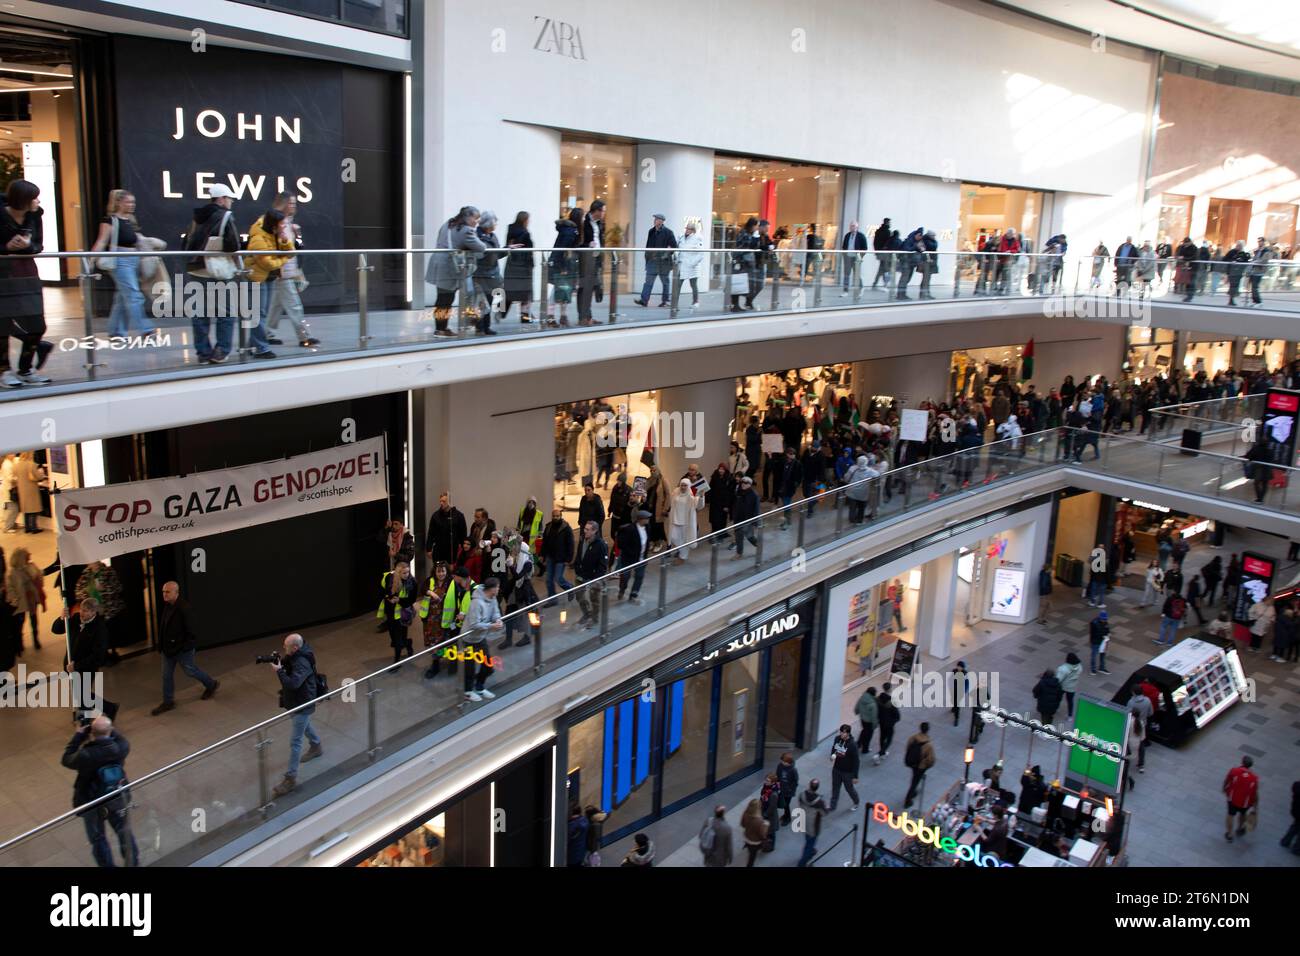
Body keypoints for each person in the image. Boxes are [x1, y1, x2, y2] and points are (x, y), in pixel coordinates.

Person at [62, 715, 138, 867]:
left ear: (92, 732)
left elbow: (66, 759)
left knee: (98, 838)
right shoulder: (121, 747)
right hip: (116, 796)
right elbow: (116, 736)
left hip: (92, 801)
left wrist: (78, 735)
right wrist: (107, 728)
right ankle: (132, 863)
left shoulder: (85, 754)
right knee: (123, 831)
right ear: (111, 730)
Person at [182, 183, 242, 364]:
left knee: (200, 313)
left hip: (196, 270)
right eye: (229, 198)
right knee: (226, 313)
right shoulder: (225, 216)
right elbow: (233, 245)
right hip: (217, 271)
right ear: (222, 199)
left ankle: (203, 352)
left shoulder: (197, 217)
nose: (231, 202)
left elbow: (186, 244)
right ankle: (221, 351)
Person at [0, 179, 53, 386]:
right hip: (3, 273)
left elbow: (39, 245)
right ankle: (4, 371)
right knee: (2, 325)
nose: (37, 201)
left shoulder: (35, 215)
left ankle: (25, 369)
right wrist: (6, 247)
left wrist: (28, 246)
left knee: (37, 325)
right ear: (22, 199)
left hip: (27, 273)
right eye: (34, 198)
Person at [88, 189, 157, 340]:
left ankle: (116, 332)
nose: (132, 205)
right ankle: (147, 330)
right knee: (134, 295)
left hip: (133, 259)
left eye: (133, 202)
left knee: (122, 297)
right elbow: (102, 241)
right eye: (128, 202)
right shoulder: (110, 221)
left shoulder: (130, 220)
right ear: (119, 202)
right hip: (120, 261)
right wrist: (91, 260)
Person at [258, 192, 318, 347]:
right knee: (294, 305)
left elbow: (296, 248)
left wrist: (297, 236)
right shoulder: (275, 223)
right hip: (282, 270)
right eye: (291, 203)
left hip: (286, 270)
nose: (294, 206)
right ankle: (305, 336)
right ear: (283, 203)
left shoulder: (288, 223)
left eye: (294, 203)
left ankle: (267, 333)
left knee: (276, 305)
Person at [150, 580, 219, 714]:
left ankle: (211, 684)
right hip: (168, 650)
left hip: (181, 650)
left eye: (167, 592)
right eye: (163, 591)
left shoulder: (184, 608)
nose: (164, 594)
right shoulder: (167, 605)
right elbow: (164, 627)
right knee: (166, 676)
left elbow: (192, 631)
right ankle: (168, 702)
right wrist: (161, 645)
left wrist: (185, 648)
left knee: (191, 671)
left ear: (176, 592)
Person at [270, 633, 323, 797]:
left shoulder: (301, 661)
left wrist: (279, 671)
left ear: (295, 647)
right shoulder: (296, 655)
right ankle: (316, 745)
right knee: (304, 725)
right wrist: (280, 663)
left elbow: (293, 683)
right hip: (295, 702)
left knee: (295, 742)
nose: (284, 648)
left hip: (302, 704)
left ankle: (290, 779)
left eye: (286, 646)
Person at [427, 205, 486, 336]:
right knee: (447, 299)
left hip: (438, 262)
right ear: (468, 217)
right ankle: (441, 329)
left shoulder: (448, 224)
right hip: (449, 266)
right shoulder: (466, 231)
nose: (477, 222)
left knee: (442, 298)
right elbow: (481, 247)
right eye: (476, 218)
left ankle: (441, 328)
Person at [68, 598, 118, 720]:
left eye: (85, 611)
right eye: (81, 609)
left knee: (83, 695)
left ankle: (89, 718)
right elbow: (56, 629)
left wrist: (77, 665)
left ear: (93, 612)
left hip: (87, 667)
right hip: (73, 665)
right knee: (79, 693)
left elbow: (98, 655)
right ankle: (107, 709)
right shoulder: (76, 618)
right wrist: (61, 618)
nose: (81, 613)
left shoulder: (100, 628)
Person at [461, 577, 503, 701]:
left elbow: (496, 612)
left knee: (487, 665)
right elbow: (474, 624)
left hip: (480, 638)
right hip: (468, 639)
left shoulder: (493, 598)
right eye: (497, 587)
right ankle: (468, 692)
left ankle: (479, 687)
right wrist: (491, 626)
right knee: (470, 668)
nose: (499, 589)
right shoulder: (476, 603)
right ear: (492, 589)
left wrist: (498, 620)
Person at [378, 560, 417, 665]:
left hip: (403, 614)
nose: (407, 575)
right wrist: (388, 598)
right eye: (404, 573)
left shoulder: (412, 582)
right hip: (391, 613)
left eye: (408, 572)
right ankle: (408, 643)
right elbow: (382, 592)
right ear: (397, 573)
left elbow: (412, 599)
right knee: (395, 638)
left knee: (399, 638)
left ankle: (396, 661)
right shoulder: (389, 578)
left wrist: (399, 600)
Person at [572, 520, 608, 630]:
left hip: (594, 578)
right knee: (579, 596)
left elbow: (603, 565)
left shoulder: (601, 545)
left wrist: (597, 579)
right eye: (585, 529)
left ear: (595, 531)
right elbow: (579, 555)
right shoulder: (582, 539)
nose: (584, 531)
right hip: (581, 575)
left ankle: (595, 619)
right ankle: (586, 613)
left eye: (587, 529)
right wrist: (577, 567)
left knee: (594, 600)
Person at [417, 562, 451, 676]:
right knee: (433, 643)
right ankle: (435, 664)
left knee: (444, 641)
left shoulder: (451, 582)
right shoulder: (430, 580)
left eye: (443, 571)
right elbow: (422, 589)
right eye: (438, 571)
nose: (441, 574)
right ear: (435, 572)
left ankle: (445, 660)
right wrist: (430, 592)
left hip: (444, 619)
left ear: (447, 571)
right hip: (430, 619)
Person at [576, 199, 606, 325]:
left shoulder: (599, 223)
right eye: (603, 211)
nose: (604, 213)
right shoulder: (584, 222)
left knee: (591, 288)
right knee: (584, 288)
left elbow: (600, 239)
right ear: (596, 211)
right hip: (586, 259)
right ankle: (583, 317)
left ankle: (588, 316)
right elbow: (578, 242)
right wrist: (588, 245)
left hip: (596, 258)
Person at [637, 213, 677, 307]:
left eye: (657, 219)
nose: (655, 220)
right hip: (652, 261)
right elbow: (648, 246)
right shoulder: (651, 231)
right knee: (648, 282)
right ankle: (644, 300)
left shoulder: (668, 232)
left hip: (663, 262)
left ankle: (665, 301)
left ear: (662, 221)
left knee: (665, 282)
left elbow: (674, 246)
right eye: (655, 219)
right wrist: (647, 257)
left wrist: (666, 254)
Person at [6, 545, 41, 650]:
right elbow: (10, 588)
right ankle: (19, 642)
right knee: (20, 621)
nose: (29, 557)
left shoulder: (30, 566)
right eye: (26, 556)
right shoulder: (12, 573)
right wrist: (14, 599)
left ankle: (35, 639)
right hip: (21, 601)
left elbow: (38, 577)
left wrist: (34, 572)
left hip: (31, 598)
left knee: (33, 619)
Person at [502, 211, 534, 323]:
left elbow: (508, 246)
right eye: (528, 219)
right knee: (526, 292)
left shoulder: (511, 230)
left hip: (511, 264)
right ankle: (524, 316)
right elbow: (529, 252)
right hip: (523, 266)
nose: (529, 221)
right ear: (524, 220)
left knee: (510, 290)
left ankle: (501, 312)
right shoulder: (525, 233)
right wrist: (531, 265)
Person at [615, 509, 650, 604]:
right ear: (640, 519)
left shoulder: (647, 527)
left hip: (641, 558)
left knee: (639, 576)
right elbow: (621, 544)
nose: (648, 519)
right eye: (646, 518)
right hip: (628, 558)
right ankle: (622, 589)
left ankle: (633, 594)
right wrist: (630, 552)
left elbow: (647, 542)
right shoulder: (629, 529)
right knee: (625, 577)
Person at [426, 492, 468, 569]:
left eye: (444, 501)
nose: (441, 503)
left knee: (453, 571)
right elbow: (431, 533)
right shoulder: (435, 516)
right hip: (439, 550)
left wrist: (463, 548)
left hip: (453, 549)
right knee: (438, 570)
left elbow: (463, 533)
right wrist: (428, 549)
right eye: (440, 501)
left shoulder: (459, 516)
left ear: (450, 502)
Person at [1223, 756, 1259, 842]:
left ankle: (1229, 834)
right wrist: (1255, 807)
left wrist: (1224, 788)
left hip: (1232, 799)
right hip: (1245, 803)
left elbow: (1227, 780)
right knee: (1243, 814)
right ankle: (1239, 829)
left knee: (1230, 815)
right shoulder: (1254, 778)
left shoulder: (1234, 771)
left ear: (1242, 762)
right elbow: (1255, 793)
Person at [541, 507, 574, 602]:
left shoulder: (566, 528)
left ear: (561, 516)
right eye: (554, 516)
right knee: (548, 580)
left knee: (558, 578)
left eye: (557, 516)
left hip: (561, 558)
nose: (555, 517)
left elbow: (570, 544)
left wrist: (568, 559)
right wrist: (542, 555)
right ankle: (552, 600)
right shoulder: (548, 527)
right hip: (550, 557)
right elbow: (545, 542)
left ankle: (570, 588)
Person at [667, 478, 704, 561]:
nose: (683, 487)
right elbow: (671, 501)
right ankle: (682, 552)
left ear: (689, 486)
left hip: (686, 521)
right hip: (675, 520)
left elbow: (699, 506)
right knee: (673, 537)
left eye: (685, 485)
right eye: (682, 485)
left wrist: (701, 496)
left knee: (685, 539)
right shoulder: (676, 491)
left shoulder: (692, 493)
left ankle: (683, 556)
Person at [795, 780, 829, 867]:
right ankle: (802, 863)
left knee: (808, 838)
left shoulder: (802, 795)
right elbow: (824, 813)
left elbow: (800, 804)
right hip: (813, 826)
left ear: (809, 785)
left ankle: (811, 851)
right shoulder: (819, 802)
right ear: (817, 788)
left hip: (803, 820)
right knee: (809, 844)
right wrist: (826, 807)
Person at [828, 723, 861, 811]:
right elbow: (834, 748)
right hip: (836, 769)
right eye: (841, 732)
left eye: (844, 732)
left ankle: (856, 802)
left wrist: (855, 776)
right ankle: (832, 806)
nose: (842, 734)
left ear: (848, 733)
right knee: (835, 788)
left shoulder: (852, 745)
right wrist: (832, 755)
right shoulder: (837, 739)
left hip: (847, 772)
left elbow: (856, 761)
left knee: (849, 789)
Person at [676, 221, 706, 309]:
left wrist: (693, 263)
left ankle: (695, 302)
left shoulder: (697, 238)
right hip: (682, 265)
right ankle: (675, 303)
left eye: (689, 229)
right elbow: (677, 249)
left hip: (693, 266)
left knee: (693, 285)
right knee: (678, 285)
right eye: (686, 228)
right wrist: (676, 257)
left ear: (693, 230)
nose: (687, 230)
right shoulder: (681, 237)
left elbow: (701, 254)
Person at [730, 475, 760, 557]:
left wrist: (755, 522)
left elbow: (756, 509)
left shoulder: (754, 495)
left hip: (747, 519)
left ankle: (759, 545)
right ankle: (739, 553)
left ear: (750, 484)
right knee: (738, 536)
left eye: (746, 483)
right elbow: (735, 505)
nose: (743, 484)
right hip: (738, 519)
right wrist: (733, 515)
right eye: (742, 482)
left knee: (749, 536)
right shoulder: (738, 492)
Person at [1127, 686, 1153, 773]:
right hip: (1143, 725)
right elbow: (1151, 713)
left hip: (1130, 728)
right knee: (1141, 747)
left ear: (1134, 693)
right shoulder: (1148, 700)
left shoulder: (1130, 702)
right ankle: (1141, 765)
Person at [874, 685, 900, 765]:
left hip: (881, 722)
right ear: (890, 689)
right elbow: (897, 715)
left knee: (882, 737)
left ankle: (883, 753)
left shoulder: (878, 699)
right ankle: (880, 754)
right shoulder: (892, 701)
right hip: (889, 724)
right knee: (889, 739)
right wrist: (894, 721)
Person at [840, 220, 868, 292]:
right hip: (848, 257)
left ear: (857, 227)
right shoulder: (847, 235)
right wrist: (844, 255)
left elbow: (865, 248)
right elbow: (844, 247)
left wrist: (860, 257)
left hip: (856, 258)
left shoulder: (861, 236)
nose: (852, 228)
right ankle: (845, 290)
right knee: (846, 274)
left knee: (857, 273)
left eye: (854, 226)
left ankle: (861, 287)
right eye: (851, 226)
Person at [741, 798, 769, 867]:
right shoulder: (760, 820)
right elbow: (762, 835)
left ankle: (748, 846)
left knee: (750, 849)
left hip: (747, 837)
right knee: (752, 857)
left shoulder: (745, 813)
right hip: (755, 841)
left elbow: (743, 824)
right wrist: (766, 826)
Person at [1055, 652, 1082, 717]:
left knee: (1058, 698)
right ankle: (1070, 715)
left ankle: (1056, 708)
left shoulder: (1064, 668)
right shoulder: (1079, 666)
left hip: (1062, 686)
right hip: (1072, 687)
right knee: (1070, 701)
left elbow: (1058, 679)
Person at [775, 751, 799, 826]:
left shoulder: (793, 770)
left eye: (784, 762)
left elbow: (795, 781)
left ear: (788, 762)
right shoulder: (780, 766)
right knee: (784, 804)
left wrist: (790, 789)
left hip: (789, 792)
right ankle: (785, 815)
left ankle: (788, 818)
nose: (782, 762)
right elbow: (777, 775)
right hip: (781, 789)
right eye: (782, 761)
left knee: (786, 804)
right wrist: (777, 783)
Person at [855, 684, 878, 753]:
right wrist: (875, 724)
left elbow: (857, 707)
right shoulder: (873, 703)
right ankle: (865, 749)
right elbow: (874, 716)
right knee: (868, 736)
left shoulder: (862, 698)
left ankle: (858, 744)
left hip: (862, 719)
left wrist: (857, 711)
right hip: (869, 722)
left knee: (864, 731)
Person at [565, 802, 588, 868]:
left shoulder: (571, 826)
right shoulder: (585, 820)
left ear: (571, 812)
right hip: (581, 853)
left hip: (571, 856)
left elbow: (566, 841)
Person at [1281, 781, 1300, 857]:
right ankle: (1296, 849)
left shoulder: (1297, 786)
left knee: (1295, 826)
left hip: (1296, 812)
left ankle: (1285, 841)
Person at [1089, 608, 1110, 674]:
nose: (1105, 620)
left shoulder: (1105, 622)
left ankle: (1102, 668)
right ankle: (1093, 669)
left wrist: (1108, 634)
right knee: (1094, 655)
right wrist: (1103, 635)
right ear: (1100, 618)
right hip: (1095, 641)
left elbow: (1107, 630)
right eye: (1103, 619)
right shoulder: (1094, 623)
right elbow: (1093, 633)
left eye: (1105, 619)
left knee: (1103, 655)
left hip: (1103, 641)